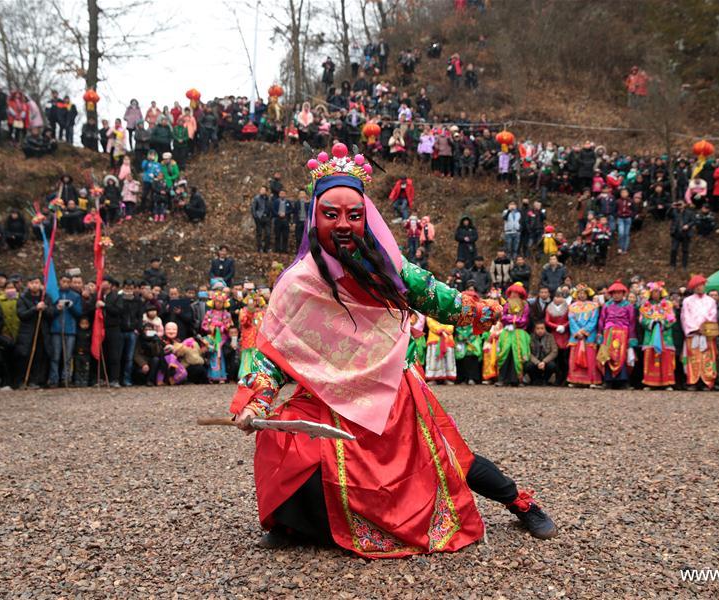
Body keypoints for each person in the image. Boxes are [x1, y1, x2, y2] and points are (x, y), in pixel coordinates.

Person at [229, 143, 556, 554]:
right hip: (327, 395)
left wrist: (485, 310)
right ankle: (295, 525)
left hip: (392, 389)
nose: (343, 224)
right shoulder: (296, 284)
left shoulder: (392, 271)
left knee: (450, 457)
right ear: (315, 218)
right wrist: (256, 400)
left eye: (354, 215)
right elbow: (274, 353)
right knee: (285, 439)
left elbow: (442, 300)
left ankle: (519, 501)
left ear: (367, 218)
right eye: (331, 215)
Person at [15, 275, 54, 389]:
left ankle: (35, 380)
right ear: (28, 284)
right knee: (25, 356)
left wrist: (45, 308)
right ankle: (22, 380)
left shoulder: (46, 297)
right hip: (27, 333)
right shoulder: (23, 298)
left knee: (39, 357)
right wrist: (35, 309)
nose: (35, 285)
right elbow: (21, 314)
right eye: (32, 283)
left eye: (37, 283)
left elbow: (52, 313)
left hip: (42, 333)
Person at [681, 275, 718, 390]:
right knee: (693, 358)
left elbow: (713, 316)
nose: (699, 288)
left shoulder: (711, 301)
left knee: (707, 357)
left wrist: (706, 328)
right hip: (693, 333)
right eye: (696, 286)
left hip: (707, 334)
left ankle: (706, 381)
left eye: (701, 285)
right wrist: (695, 328)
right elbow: (685, 317)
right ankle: (692, 380)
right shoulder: (687, 301)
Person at [597, 281, 637, 388]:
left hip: (623, 333)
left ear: (623, 294)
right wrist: (600, 334)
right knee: (607, 355)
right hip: (608, 332)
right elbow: (602, 320)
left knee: (621, 356)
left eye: (619, 293)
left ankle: (623, 381)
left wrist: (632, 337)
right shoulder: (606, 305)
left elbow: (632, 322)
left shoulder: (628, 306)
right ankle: (607, 380)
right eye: (614, 293)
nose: (616, 295)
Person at [497, 283, 531, 386]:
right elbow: (502, 317)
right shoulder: (507, 304)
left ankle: (516, 379)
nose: (513, 295)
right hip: (507, 332)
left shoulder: (524, 304)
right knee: (505, 353)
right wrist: (512, 319)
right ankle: (502, 379)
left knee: (518, 354)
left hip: (519, 333)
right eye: (512, 292)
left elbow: (524, 320)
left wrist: (511, 319)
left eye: (516, 293)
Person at [567, 284, 601, 387]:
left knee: (590, 357)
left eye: (584, 293)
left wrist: (585, 331)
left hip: (589, 336)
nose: (582, 295)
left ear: (587, 294)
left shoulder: (594, 306)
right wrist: (577, 332)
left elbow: (593, 320)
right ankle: (575, 380)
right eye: (580, 293)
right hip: (576, 336)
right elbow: (571, 320)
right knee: (574, 357)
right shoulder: (572, 306)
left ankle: (591, 380)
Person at [237, 291, 265, 379]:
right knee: (248, 356)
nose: (254, 303)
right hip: (248, 339)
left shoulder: (262, 313)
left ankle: (258, 374)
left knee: (258, 356)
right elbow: (244, 322)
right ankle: (247, 374)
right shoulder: (243, 311)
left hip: (259, 340)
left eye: (255, 300)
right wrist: (250, 312)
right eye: (251, 301)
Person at [544, 290, 570, 385]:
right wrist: (556, 327)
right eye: (557, 297)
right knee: (556, 358)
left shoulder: (568, 308)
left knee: (565, 358)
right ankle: (558, 378)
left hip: (565, 335)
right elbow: (547, 321)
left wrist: (564, 326)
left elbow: (571, 318)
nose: (558, 299)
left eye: (561, 297)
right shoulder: (549, 308)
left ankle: (566, 377)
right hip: (554, 335)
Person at [526, 321, 558, 385]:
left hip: (546, 360)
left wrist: (544, 361)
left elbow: (554, 351)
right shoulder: (530, 337)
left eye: (542, 328)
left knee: (552, 366)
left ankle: (545, 380)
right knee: (528, 365)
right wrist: (537, 362)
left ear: (545, 329)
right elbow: (527, 352)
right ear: (534, 329)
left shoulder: (550, 336)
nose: (540, 330)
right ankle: (534, 380)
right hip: (535, 361)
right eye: (538, 328)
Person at [669, 201, 694, 269]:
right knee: (674, 249)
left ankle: (684, 265)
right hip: (676, 233)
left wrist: (688, 225)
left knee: (685, 250)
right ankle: (672, 265)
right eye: (678, 204)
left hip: (686, 234)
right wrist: (671, 208)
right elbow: (668, 215)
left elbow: (693, 221)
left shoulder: (689, 212)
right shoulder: (674, 211)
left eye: (681, 204)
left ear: (685, 204)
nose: (679, 205)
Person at [251, 186, 272, 253]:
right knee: (259, 233)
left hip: (267, 218)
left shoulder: (268, 199)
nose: (261, 191)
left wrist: (270, 217)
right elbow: (253, 208)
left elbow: (270, 208)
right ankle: (259, 248)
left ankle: (266, 248)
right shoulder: (256, 198)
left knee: (268, 233)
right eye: (261, 189)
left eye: (263, 190)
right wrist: (256, 217)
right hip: (259, 217)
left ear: (266, 191)